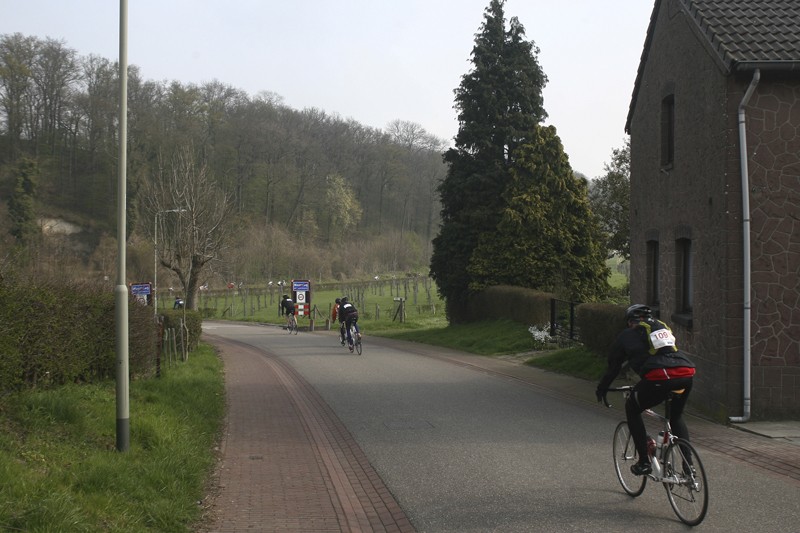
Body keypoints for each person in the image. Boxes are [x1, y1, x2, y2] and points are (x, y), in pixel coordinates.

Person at [596, 304, 696, 476]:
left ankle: (643, 462)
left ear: (630, 322)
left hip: (658, 377)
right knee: (676, 415)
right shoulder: (661, 327)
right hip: (685, 372)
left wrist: (602, 388)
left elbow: (614, 366)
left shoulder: (628, 334)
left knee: (632, 408)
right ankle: (690, 468)